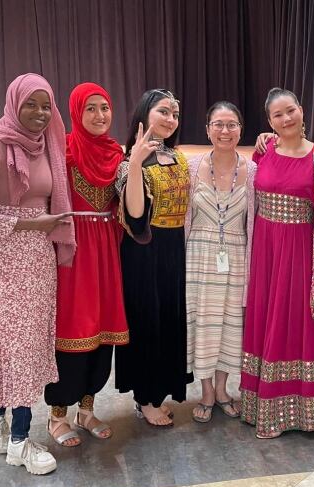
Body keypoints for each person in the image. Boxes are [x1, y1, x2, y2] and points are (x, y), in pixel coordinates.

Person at [0, 73, 75, 475]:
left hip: (37, 264)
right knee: (5, 346)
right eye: (31, 104)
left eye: (47, 105)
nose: (41, 113)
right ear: (13, 104)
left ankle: (2, 419)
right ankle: (17, 439)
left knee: (30, 348)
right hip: (1, 265)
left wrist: (46, 227)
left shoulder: (49, 148)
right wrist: (29, 224)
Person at [240, 87, 314, 439]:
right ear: (269, 122)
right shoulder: (263, 152)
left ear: (302, 110)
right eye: (277, 115)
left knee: (294, 321)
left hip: (300, 253)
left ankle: (303, 410)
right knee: (266, 318)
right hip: (265, 250)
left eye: (290, 110)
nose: (286, 119)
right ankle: (260, 403)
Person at [43, 82, 128, 446]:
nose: (99, 116)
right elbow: (25, 161)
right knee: (73, 331)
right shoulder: (61, 149)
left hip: (106, 251)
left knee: (103, 332)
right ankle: (56, 416)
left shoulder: (116, 152)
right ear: (76, 111)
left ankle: (88, 410)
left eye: (104, 108)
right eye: (90, 108)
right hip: (74, 253)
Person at [114, 89, 192, 427]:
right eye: (163, 111)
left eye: (174, 114)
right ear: (145, 115)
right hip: (145, 250)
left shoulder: (180, 157)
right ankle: (145, 397)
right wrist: (133, 161)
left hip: (174, 248)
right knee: (147, 322)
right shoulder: (128, 162)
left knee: (169, 320)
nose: (170, 119)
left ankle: (160, 391)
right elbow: (134, 215)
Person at [185, 102, 256, 423]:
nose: (225, 131)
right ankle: (206, 391)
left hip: (237, 257)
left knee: (230, 324)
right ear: (207, 129)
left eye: (231, 125)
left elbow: (253, 223)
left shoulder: (253, 171)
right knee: (202, 324)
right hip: (197, 257)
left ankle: (225, 389)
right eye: (218, 124)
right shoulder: (191, 166)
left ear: (241, 129)